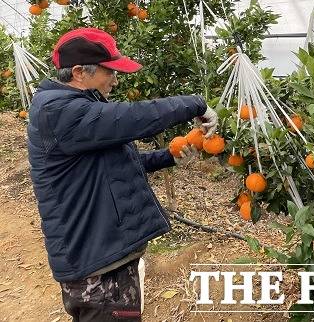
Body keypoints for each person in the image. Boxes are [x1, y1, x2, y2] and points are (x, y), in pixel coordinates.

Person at [28, 28, 218, 321]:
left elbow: (110, 166)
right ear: (79, 72)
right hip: (97, 268)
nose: (115, 80)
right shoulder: (60, 112)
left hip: (104, 254)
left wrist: (167, 157)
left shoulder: (73, 111)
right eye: (110, 72)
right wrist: (195, 104)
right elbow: (134, 117)